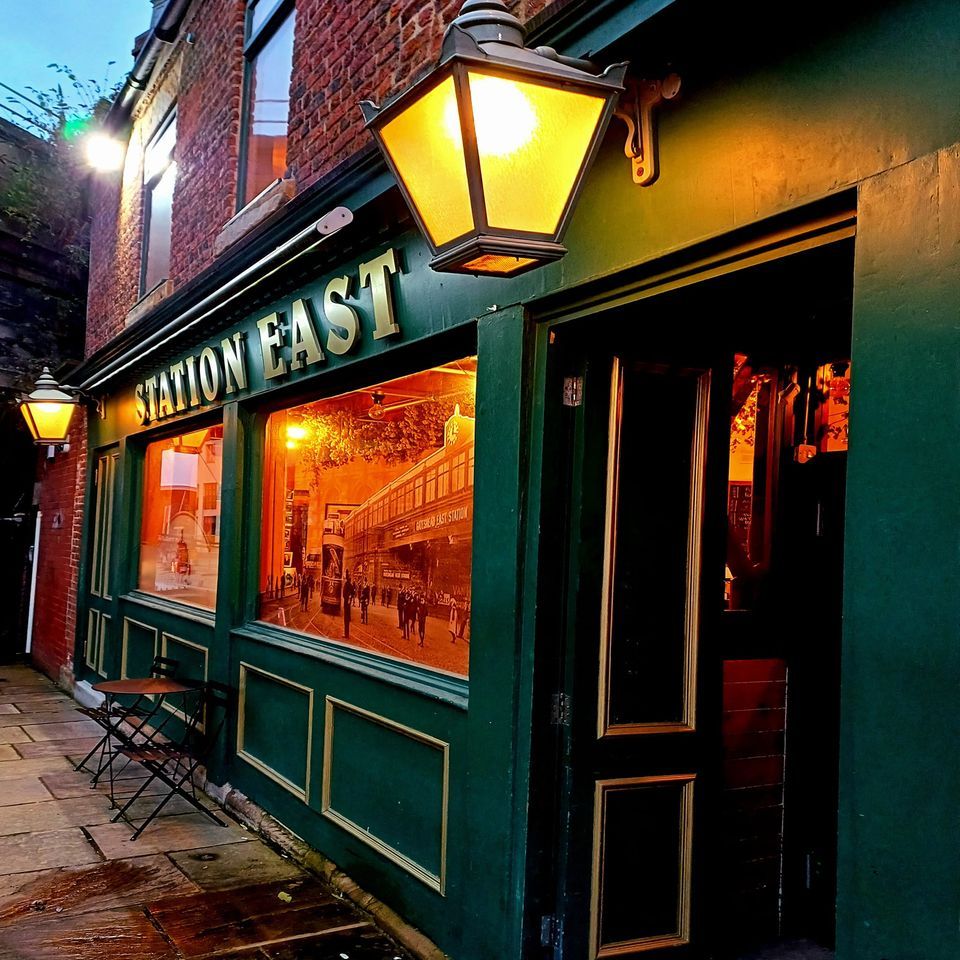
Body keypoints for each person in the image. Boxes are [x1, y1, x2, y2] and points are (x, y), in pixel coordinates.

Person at [342, 572, 354, 639]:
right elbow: (353, 592)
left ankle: (346, 635)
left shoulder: (346, 585)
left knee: (345, 620)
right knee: (347, 619)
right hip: (349, 604)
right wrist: (350, 597)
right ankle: (347, 634)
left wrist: (347, 598)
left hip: (346, 603)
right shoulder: (351, 585)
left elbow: (343, 594)